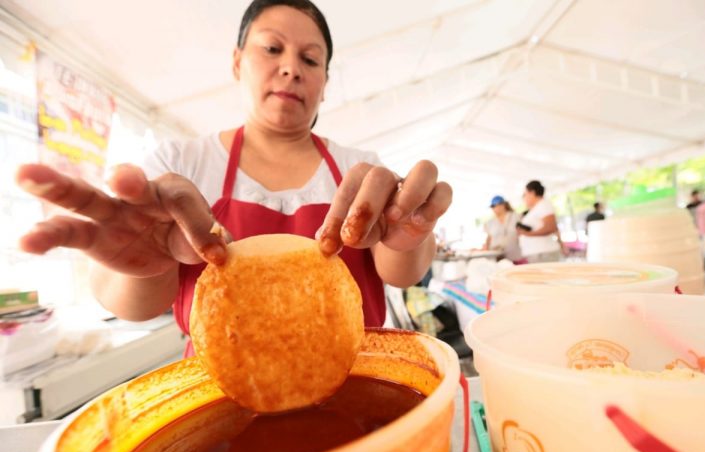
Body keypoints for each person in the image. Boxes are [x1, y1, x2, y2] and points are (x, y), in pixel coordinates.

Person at [14, 0, 452, 355]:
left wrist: (411, 231)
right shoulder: (180, 162)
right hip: (225, 395)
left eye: (311, 59)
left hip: (356, 382)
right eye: (272, 49)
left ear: (325, 81)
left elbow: (401, 273)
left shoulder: (360, 170)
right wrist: (143, 266)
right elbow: (133, 305)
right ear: (237, 61)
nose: (291, 68)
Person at [517, 180, 561, 263]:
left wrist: (526, 234)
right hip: (539, 253)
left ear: (532, 192)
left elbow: (550, 227)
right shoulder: (537, 207)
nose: (524, 197)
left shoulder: (544, 205)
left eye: (525, 194)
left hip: (543, 253)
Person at [482, 195, 522, 262]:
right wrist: (485, 248)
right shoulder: (490, 223)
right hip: (496, 255)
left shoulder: (515, 217)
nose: (495, 208)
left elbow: (522, 234)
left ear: (503, 205)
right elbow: (489, 238)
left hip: (514, 254)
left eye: (496, 206)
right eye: (493, 207)